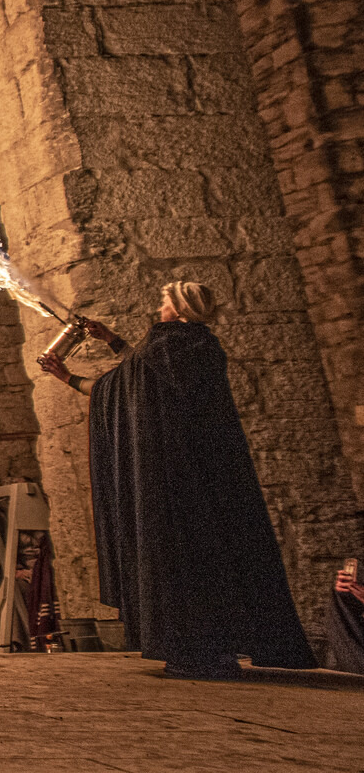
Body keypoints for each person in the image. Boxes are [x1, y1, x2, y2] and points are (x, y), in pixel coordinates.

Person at [40, 280, 316, 679]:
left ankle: (194, 651)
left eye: (165, 301)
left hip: (171, 479)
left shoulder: (166, 344)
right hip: (208, 474)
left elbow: (123, 387)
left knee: (181, 557)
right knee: (219, 553)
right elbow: (145, 375)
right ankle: (221, 647)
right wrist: (113, 340)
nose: (160, 307)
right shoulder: (202, 345)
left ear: (180, 310)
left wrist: (66, 378)